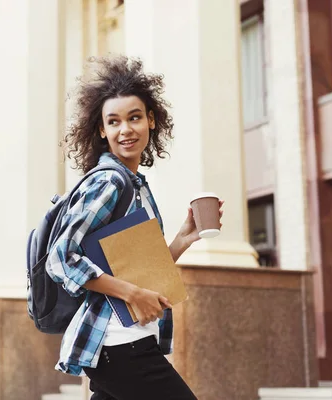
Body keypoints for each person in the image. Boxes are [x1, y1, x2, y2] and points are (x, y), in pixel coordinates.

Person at [47, 56, 224, 400]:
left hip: (126, 342)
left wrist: (182, 240)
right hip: (118, 343)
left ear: (151, 120)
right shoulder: (109, 183)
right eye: (113, 121)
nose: (125, 129)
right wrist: (133, 295)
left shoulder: (135, 184)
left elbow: (140, 272)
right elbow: (61, 258)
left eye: (134, 117)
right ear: (101, 130)